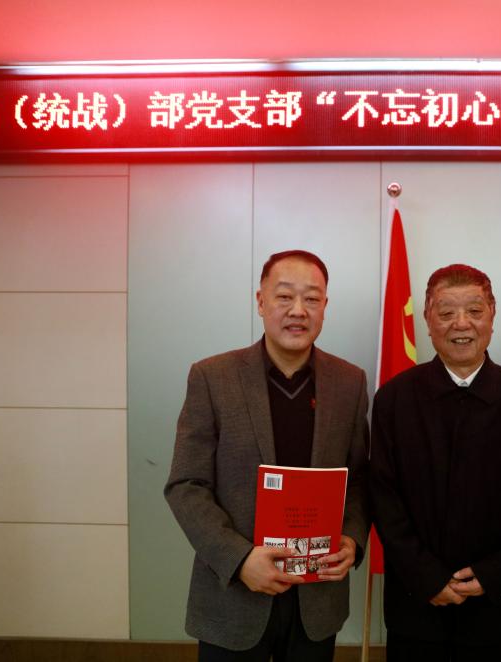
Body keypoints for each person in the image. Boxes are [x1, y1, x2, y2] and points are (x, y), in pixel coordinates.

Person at [165, 250, 370, 662]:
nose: (298, 311)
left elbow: (359, 478)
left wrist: (352, 538)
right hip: (233, 597)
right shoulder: (212, 377)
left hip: (316, 600)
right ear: (260, 302)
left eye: (312, 299)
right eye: (284, 297)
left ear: (325, 306)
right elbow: (186, 484)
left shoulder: (349, 382)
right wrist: (240, 560)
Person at [369, 263, 501, 662]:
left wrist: (494, 573)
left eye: (474, 310)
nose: (461, 324)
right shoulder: (394, 400)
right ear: (427, 319)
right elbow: (384, 499)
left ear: (492, 315)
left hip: (496, 609)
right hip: (414, 605)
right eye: (446, 312)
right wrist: (425, 576)